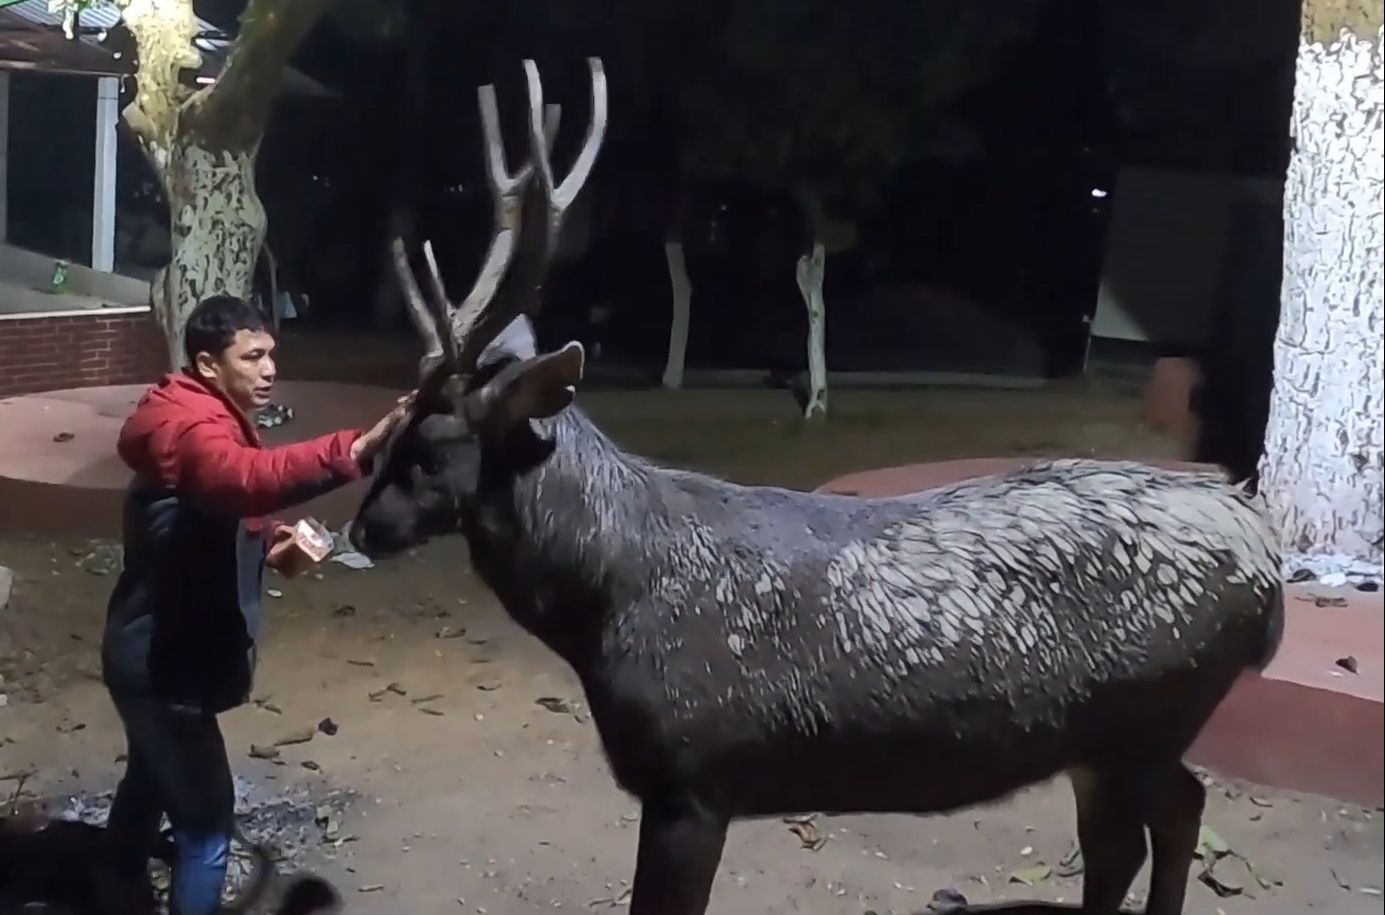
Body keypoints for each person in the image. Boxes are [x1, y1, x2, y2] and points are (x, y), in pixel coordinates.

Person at [101, 294, 410, 914]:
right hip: (163, 670)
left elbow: (212, 508)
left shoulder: (198, 409)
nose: (270, 369)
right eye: (254, 357)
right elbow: (240, 478)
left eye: (272, 354)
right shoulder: (189, 427)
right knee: (208, 824)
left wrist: (269, 540)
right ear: (209, 364)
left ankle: (109, 891)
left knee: (149, 782)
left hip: (148, 659)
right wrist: (354, 450)